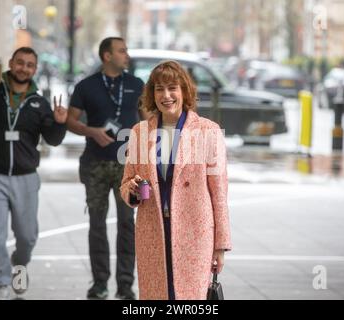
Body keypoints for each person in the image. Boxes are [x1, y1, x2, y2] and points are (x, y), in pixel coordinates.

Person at [0, 47, 68, 299]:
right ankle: (1, 283)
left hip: (26, 179)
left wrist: (60, 123)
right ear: (11, 63)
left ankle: (19, 266)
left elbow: (53, 139)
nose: (24, 68)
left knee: (27, 237)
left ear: (34, 70)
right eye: (20, 63)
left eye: (29, 65)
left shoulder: (39, 103)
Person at [120, 60, 232, 300]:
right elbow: (126, 183)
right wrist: (132, 190)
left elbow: (219, 194)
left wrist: (220, 245)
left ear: (184, 91)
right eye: (159, 89)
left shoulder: (208, 131)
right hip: (153, 232)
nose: (166, 95)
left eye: (172, 88)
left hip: (196, 235)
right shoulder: (140, 132)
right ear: (152, 94)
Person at [66, 37, 145, 300]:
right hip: (95, 164)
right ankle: (99, 284)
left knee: (127, 224)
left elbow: (148, 122)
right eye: (122, 51)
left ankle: (125, 285)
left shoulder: (136, 84)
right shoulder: (86, 86)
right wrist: (91, 131)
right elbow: (70, 120)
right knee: (97, 225)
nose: (127, 55)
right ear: (106, 56)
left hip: (128, 167)